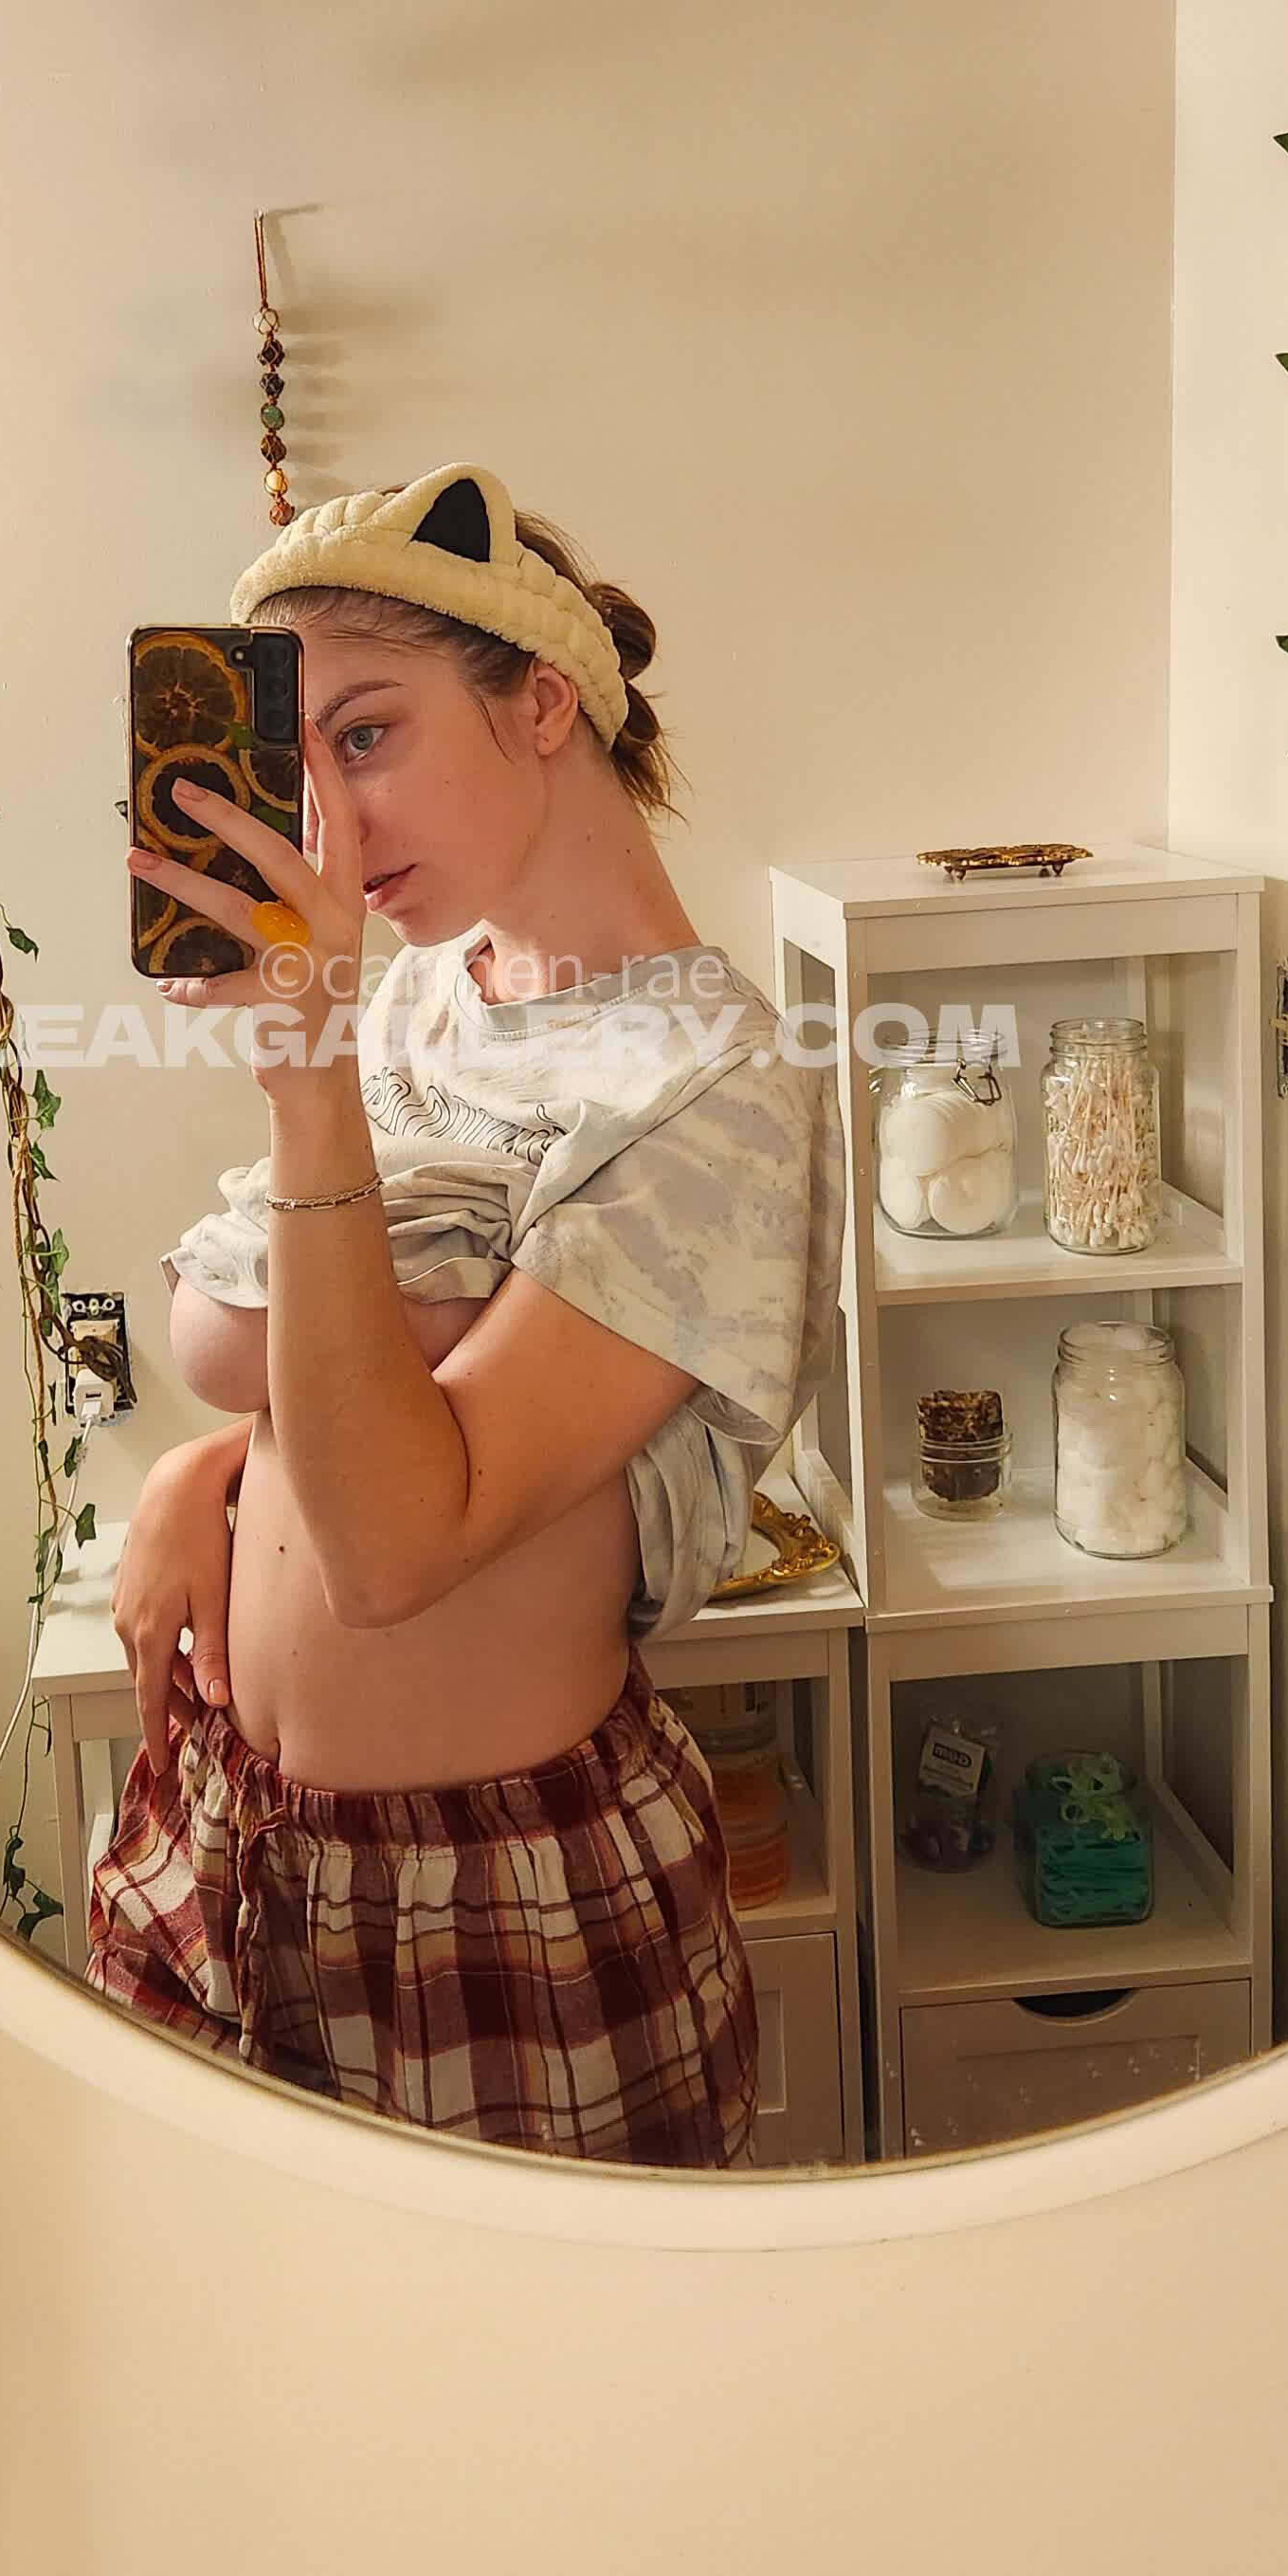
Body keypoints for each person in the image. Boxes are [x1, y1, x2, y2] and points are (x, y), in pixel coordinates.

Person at [86, 459, 845, 2165]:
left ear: (543, 701)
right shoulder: (428, 990)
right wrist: (206, 1474)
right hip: (235, 1835)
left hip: (493, 1895)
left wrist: (307, 1092)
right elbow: (324, 1351)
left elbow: (397, 1547)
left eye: (368, 735)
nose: (335, 832)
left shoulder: (716, 1084)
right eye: (303, 765)